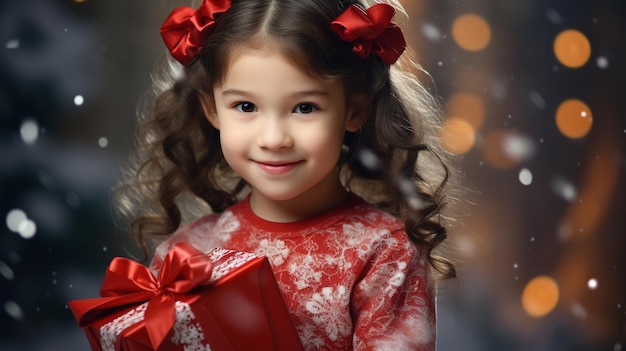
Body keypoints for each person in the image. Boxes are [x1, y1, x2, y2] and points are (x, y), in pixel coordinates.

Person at [115, 0, 458, 349]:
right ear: (211, 109)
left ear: (354, 110)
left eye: (304, 108)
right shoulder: (186, 253)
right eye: (246, 107)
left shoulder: (384, 253)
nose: (274, 139)